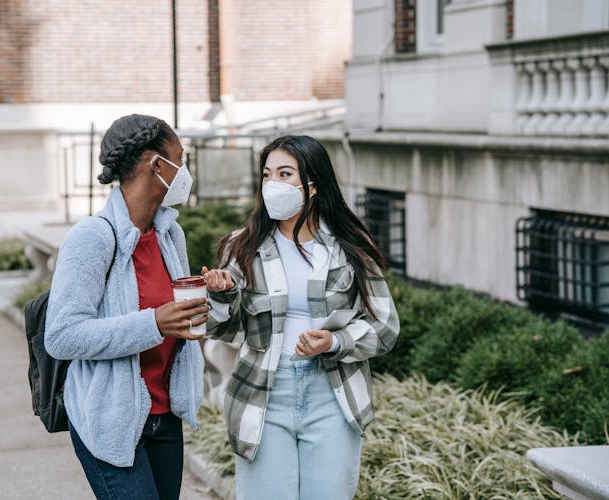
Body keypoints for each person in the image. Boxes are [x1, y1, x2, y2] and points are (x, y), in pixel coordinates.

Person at [201, 135, 400, 500]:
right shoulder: (242, 247)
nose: (272, 184)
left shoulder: (350, 248)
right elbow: (223, 330)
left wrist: (335, 341)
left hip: (332, 393)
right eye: (266, 174)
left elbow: (385, 326)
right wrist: (221, 295)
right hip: (263, 392)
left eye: (284, 173)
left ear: (312, 186)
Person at [44, 114, 207, 500]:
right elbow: (62, 336)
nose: (184, 170)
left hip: (165, 418)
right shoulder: (92, 237)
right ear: (157, 165)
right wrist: (154, 323)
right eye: (180, 159)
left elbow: (175, 320)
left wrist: (212, 300)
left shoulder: (170, 233)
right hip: (111, 421)